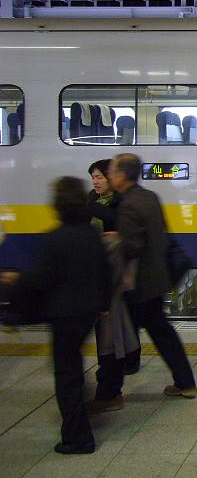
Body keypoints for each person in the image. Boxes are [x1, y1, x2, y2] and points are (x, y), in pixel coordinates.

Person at [0, 177, 111, 454]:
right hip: (88, 313)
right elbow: (105, 272)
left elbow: (40, 279)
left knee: (66, 375)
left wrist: (16, 280)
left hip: (64, 315)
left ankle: (78, 438)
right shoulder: (92, 235)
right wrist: (104, 303)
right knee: (72, 367)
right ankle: (83, 416)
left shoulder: (54, 238)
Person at [109, 153, 197, 398]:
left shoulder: (128, 205)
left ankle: (109, 393)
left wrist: (114, 241)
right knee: (161, 334)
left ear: (122, 175)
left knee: (120, 338)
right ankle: (185, 382)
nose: (109, 176)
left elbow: (132, 247)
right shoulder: (149, 197)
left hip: (137, 285)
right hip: (156, 279)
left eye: (113, 171)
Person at [85, 159, 141, 413]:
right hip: (97, 281)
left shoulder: (120, 203)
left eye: (100, 177)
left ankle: (110, 391)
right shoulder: (91, 201)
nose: (96, 181)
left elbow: (127, 239)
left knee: (112, 339)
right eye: (93, 177)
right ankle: (108, 385)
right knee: (108, 339)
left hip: (116, 282)